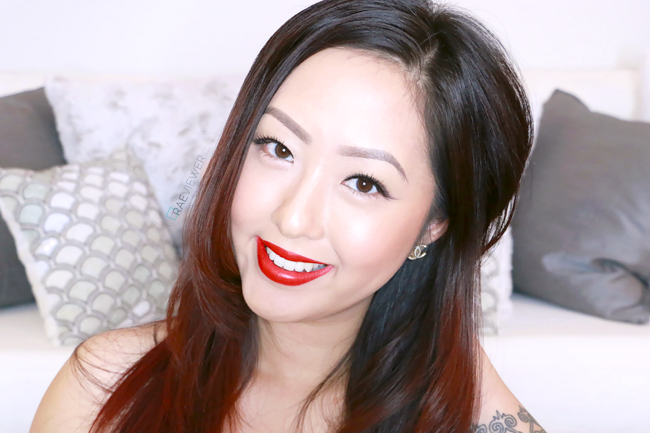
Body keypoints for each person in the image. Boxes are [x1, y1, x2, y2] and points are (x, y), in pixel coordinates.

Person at [30, 0, 543, 432]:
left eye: (364, 183)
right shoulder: (102, 388)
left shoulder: (473, 418)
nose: (294, 219)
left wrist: (459, 373)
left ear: (433, 225)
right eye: (278, 148)